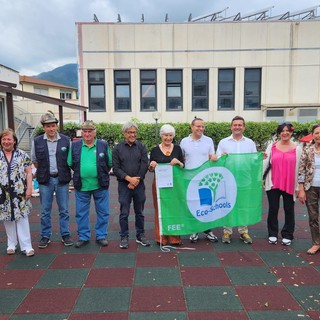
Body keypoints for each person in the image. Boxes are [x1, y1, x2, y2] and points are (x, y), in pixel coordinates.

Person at [31, 111, 73, 248]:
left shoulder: (66, 140)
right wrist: (44, 171)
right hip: (45, 180)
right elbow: (35, 161)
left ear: (56, 126)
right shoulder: (37, 141)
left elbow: (70, 159)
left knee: (64, 210)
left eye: (53, 125)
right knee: (44, 211)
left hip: (62, 180)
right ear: (43, 127)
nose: (51, 129)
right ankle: (45, 236)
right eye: (48, 126)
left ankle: (65, 234)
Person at [68, 120, 112, 248]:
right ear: (82, 132)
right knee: (81, 212)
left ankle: (101, 235)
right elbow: (70, 163)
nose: (87, 134)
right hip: (81, 185)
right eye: (85, 131)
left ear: (94, 133)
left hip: (100, 185)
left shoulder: (103, 145)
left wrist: (100, 173)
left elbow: (109, 163)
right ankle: (83, 236)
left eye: (90, 131)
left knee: (103, 211)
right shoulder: (75, 145)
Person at [216, 116, 257, 244]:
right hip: (228, 180)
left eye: (240, 125)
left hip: (245, 180)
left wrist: (261, 158)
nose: (237, 127)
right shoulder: (223, 142)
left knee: (243, 206)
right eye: (235, 125)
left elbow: (254, 160)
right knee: (228, 205)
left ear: (244, 127)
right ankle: (227, 232)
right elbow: (217, 159)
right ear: (231, 127)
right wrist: (220, 157)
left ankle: (243, 231)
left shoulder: (250, 143)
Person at [180, 117, 218, 243]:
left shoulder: (208, 141)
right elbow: (181, 160)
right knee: (192, 205)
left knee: (207, 205)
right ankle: (194, 230)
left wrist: (214, 157)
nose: (201, 129)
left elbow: (212, 156)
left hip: (205, 180)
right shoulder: (184, 141)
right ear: (192, 127)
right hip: (189, 179)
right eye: (198, 126)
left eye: (202, 126)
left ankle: (208, 230)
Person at [112, 122, 150, 249]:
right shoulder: (117, 149)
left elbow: (144, 165)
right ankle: (124, 236)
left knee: (140, 212)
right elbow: (116, 168)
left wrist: (135, 181)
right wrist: (129, 179)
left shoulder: (141, 147)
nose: (132, 134)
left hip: (139, 185)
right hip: (124, 185)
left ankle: (140, 235)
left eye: (134, 132)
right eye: (129, 132)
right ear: (124, 134)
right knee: (124, 212)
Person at [264, 122, 302, 246]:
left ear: (291, 132)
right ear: (279, 133)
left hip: (290, 184)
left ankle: (287, 234)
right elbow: (264, 163)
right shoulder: (272, 146)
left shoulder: (297, 149)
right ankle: (272, 234)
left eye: (287, 131)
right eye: (282, 131)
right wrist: (261, 179)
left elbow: (301, 168)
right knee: (273, 209)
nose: (285, 133)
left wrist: (298, 186)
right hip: (273, 183)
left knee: (289, 209)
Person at [0, 129, 34, 256]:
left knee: (22, 218)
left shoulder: (22, 155)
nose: (6, 141)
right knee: (7, 219)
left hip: (19, 192)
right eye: (4, 139)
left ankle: (27, 246)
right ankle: (11, 244)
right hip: (3, 193)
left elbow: (29, 172)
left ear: (14, 141)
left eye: (9, 139)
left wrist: (29, 188)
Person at [149, 124, 184, 246]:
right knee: (160, 209)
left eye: (170, 135)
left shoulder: (178, 149)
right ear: (161, 136)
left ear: (173, 136)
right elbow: (150, 169)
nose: (168, 138)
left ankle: (174, 238)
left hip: (175, 184)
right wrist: (151, 165)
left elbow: (183, 167)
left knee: (174, 209)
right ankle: (161, 238)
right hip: (159, 184)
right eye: (165, 135)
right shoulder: (154, 150)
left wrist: (178, 162)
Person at [298, 123, 320, 254]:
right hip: (310, 187)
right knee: (313, 217)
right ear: (313, 135)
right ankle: (316, 243)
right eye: (316, 133)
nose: (319, 135)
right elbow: (302, 170)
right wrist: (301, 189)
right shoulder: (308, 150)